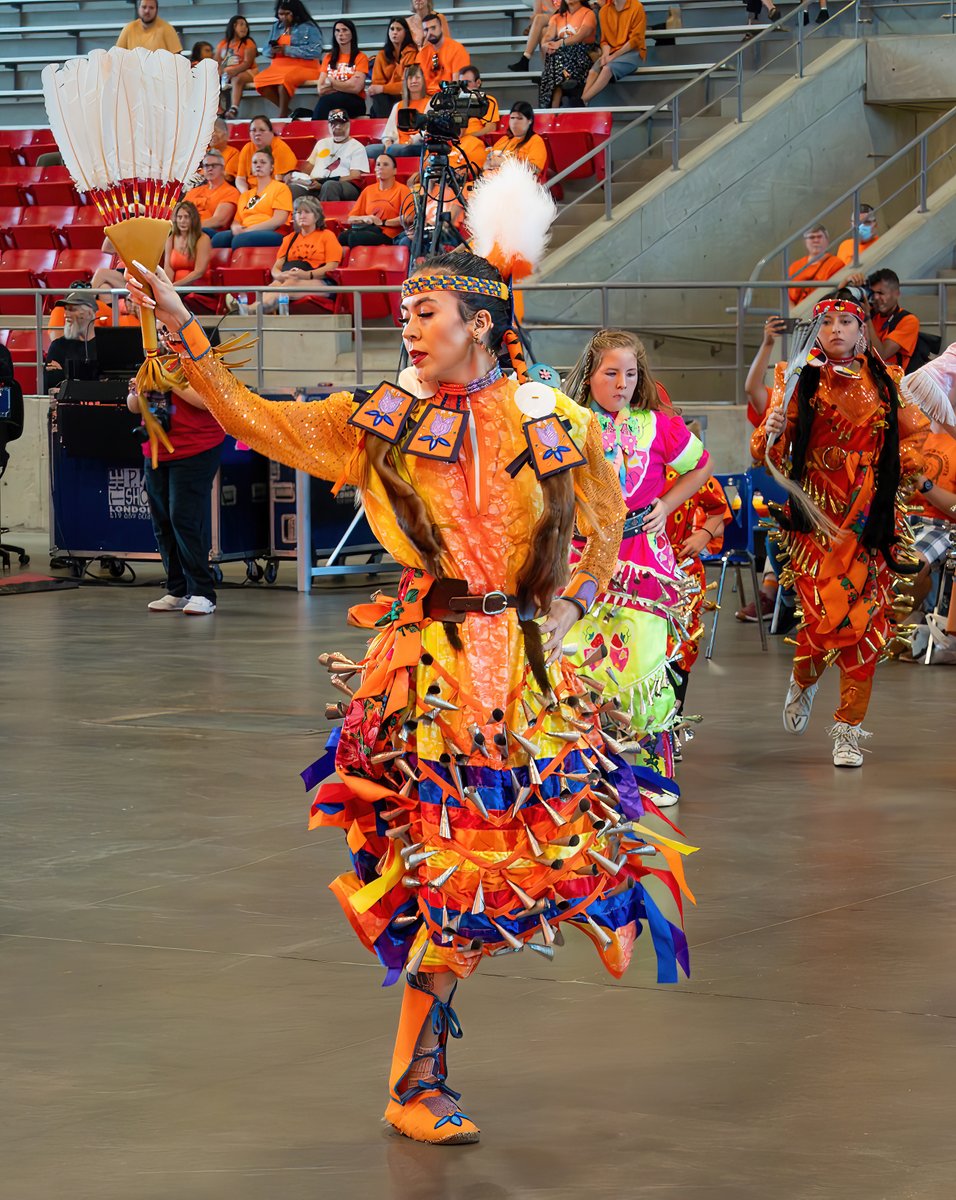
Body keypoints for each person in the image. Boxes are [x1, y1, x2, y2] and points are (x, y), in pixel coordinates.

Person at [127, 223, 697, 1145]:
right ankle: (415, 1082)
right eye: (405, 313)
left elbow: (606, 513)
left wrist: (570, 604)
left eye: (425, 312)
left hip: (521, 669)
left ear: (478, 321)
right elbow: (251, 417)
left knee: (560, 820)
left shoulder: (550, 417)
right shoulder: (382, 422)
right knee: (449, 878)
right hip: (428, 682)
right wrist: (185, 328)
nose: (408, 328)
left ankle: (596, 895)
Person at [751, 289, 928, 767]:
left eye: (845, 322)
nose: (835, 330)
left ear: (861, 329)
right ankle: (804, 680)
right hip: (817, 519)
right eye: (826, 322)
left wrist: (908, 468)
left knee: (867, 624)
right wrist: (769, 433)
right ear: (816, 330)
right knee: (822, 618)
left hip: (872, 520)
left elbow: (915, 438)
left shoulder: (888, 380)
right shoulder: (798, 379)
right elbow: (764, 449)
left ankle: (848, 730)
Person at [564, 329, 712, 766]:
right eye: (611, 372)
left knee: (645, 665)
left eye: (630, 373)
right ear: (590, 374)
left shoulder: (658, 425)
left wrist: (667, 504)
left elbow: (701, 466)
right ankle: (583, 768)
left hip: (645, 558)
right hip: (582, 559)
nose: (622, 383)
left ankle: (650, 770)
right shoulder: (567, 424)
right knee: (579, 663)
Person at [128, 381, 225, 617]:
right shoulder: (152, 362)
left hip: (194, 447)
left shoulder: (201, 362)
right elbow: (134, 406)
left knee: (183, 517)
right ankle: (177, 588)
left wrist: (168, 382)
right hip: (156, 448)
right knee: (162, 521)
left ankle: (202, 591)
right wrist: (137, 390)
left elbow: (205, 401)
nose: (165, 341)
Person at [663, 463, 731, 714]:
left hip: (681, 570)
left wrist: (703, 533)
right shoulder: (616, 456)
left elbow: (718, 511)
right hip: (629, 568)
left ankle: (670, 725)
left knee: (679, 649)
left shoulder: (686, 459)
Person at [250, 195, 342, 312]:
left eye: (307, 212)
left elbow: (332, 267)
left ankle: (251, 311)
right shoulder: (289, 239)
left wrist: (306, 275)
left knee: (290, 283)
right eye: (298, 212)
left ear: (317, 216)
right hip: (291, 278)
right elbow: (276, 268)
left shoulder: (327, 235)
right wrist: (280, 275)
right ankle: (253, 310)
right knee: (276, 284)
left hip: (322, 281)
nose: (302, 216)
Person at [255, 0, 325, 119]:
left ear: (295, 13)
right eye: (281, 14)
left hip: (305, 66)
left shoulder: (309, 27)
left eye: (287, 14)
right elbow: (265, 49)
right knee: (259, 80)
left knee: (284, 79)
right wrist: (272, 50)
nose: (283, 17)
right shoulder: (276, 27)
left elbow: (316, 51)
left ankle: (282, 115)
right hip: (278, 66)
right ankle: (288, 111)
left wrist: (287, 50)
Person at [210, 148, 293, 247]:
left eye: (263, 162)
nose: (258, 165)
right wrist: (236, 227)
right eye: (255, 162)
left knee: (240, 240)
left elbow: (278, 220)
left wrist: (247, 230)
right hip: (245, 230)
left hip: (273, 231)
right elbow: (237, 221)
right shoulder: (246, 195)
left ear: (271, 167)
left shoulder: (280, 188)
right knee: (218, 239)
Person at [581, 0, 648, 104]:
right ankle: (583, 104)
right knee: (592, 71)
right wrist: (605, 55)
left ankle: (582, 101)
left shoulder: (636, 7)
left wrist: (613, 56)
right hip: (611, 51)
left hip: (632, 52)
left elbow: (636, 40)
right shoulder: (604, 10)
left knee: (607, 69)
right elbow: (604, 40)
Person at [341, 154, 412, 247]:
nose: (380, 167)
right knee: (342, 237)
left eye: (385, 164)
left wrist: (383, 222)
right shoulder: (368, 190)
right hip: (369, 229)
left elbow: (409, 217)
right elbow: (351, 218)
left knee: (354, 237)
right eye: (378, 164)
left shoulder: (403, 190)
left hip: (389, 234)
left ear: (394, 171)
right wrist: (365, 218)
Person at [538, 0, 598, 109]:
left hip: (582, 52)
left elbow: (581, 35)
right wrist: (546, 45)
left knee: (556, 59)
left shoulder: (588, 13)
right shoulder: (557, 16)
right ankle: (565, 81)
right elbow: (548, 36)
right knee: (555, 56)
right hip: (560, 57)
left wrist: (560, 43)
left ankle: (551, 106)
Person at [301, 110, 370, 202]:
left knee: (329, 186)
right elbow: (309, 167)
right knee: (294, 188)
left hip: (343, 185)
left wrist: (322, 182)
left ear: (348, 124)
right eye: (334, 124)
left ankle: (328, 216)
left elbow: (355, 176)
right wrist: (301, 179)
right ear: (329, 126)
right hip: (316, 183)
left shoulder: (357, 147)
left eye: (342, 123)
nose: (338, 127)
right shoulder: (321, 143)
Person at [368, 64, 430, 159]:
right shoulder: (398, 106)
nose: (414, 81)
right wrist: (387, 142)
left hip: (417, 145)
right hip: (396, 145)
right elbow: (388, 132)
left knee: (400, 150)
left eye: (417, 78)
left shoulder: (430, 103)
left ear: (423, 81)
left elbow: (427, 131)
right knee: (368, 150)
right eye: (410, 78)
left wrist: (413, 140)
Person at [864, 268, 921, 372]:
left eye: (881, 293)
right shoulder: (871, 313)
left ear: (896, 293)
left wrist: (866, 317)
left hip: (891, 383)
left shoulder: (909, 321)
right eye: (873, 293)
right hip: (867, 376)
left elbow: (881, 355)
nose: (876, 297)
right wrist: (846, 284)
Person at [314, 19, 370, 121]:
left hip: (354, 102)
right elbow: (321, 89)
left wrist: (331, 82)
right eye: (337, 31)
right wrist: (345, 85)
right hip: (331, 100)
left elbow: (356, 88)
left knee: (326, 102)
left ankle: (315, 131)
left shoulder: (361, 57)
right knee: (326, 101)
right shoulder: (328, 58)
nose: (341, 34)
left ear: (352, 34)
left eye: (345, 30)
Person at [43, 289, 99, 391]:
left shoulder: (103, 345)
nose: (66, 314)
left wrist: (65, 375)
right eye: (66, 309)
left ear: (90, 313)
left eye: (72, 309)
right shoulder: (58, 346)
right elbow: (51, 384)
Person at [367, 17, 418, 118]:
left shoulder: (412, 53)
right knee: (378, 97)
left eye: (398, 29)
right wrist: (384, 89)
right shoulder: (381, 55)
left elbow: (407, 84)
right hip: (386, 97)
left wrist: (383, 88)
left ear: (405, 33)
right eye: (392, 29)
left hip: (405, 95)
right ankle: (386, 128)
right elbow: (376, 85)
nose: (394, 32)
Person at [235, 115, 298, 192]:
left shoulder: (280, 148)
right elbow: (240, 178)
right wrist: (246, 194)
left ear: (271, 132)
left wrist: (259, 197)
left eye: (262, 130)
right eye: (254, 130)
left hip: (273, 192)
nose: (257, 133)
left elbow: (280, 181)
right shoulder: (247, 148)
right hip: (252, 192)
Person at [184, 150, 241, 235]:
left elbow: (219, 221)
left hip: (208, 233)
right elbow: (179, 212)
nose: (210, 169)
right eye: (206, 166)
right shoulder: (194, 191)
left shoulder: (231, 192)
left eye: (214, 166)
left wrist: (188, 227)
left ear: (222, 169)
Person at [787, 225, 845, 307]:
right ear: (805, 242)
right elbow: (788, 298)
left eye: (819, 237)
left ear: (827, 240)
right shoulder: (794, 267)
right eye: (811, 237)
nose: (816, 240)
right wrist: (794, 315)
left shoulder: (836, 264)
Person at [416, 13, 470, 94]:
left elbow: (458, 84)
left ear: (441, 28)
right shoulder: (421, 54)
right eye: (426, 30)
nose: (430, 33)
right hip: (426, 98)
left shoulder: (457, 49)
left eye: (433, 28)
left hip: (448, 97)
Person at [216, 14, 258, 119]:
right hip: (228, 73)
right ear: (233, 26)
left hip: (248, 71)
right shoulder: (223, 43)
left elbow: (247, 63)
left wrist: (233, 71)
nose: (244, 28)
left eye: (246, 25)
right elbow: (217, 61)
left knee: (237, 78)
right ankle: (218, 110)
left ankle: (233, 109)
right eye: (241, 25)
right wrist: (221, 71)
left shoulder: (249, 43)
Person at [492, 102, 549, 178]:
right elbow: (488, 162)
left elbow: (535, 169)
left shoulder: (536, 141)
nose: (515, 122)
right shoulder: (504, 139)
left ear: (530, 121)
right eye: (512, 118)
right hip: (489, 179)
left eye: (520, 118)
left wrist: (505, 162)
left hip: (517, 183)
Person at [163, 201, 213, 287]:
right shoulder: (170, 238)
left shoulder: (203, 239)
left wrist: (176, 286)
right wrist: (168, 287)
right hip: (176, 288)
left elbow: (199, 272)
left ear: (193, 219)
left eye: (186, 217)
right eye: (180, 217)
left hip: (197, 288)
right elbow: (168, 268)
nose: (182, 221)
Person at [509, 0, 560, 72]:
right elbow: (536, 14)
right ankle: (547, 70)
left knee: (539, 19)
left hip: (567, 16)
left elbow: (558, 11)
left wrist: (548, 5)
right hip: (552, 19)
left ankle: (525, 59)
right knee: (542, 31)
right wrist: (532, 26)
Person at [115, 0, 182, 53]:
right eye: (144, 7)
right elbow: (117, 54)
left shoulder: (167, 28)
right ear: (138, 9)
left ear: (157, 10)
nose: (147, 11)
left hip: (159, 70)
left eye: (151, 8)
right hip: (133, 69)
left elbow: (177, 57)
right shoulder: (129, 28)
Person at [457, 65, 498, 136]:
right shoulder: (452, 100)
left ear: (478, 83)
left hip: (473, 140)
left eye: (468, 82)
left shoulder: (487, 100)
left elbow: (491, 128)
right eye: (461, 83)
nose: (464, 86)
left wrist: (468, 136)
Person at [210, 117, 240, 182]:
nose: (213, 134)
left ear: (227, 135)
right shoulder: (203, 153)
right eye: (211, 131)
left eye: (217, 131)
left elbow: (228, 177)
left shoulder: (233, 153)